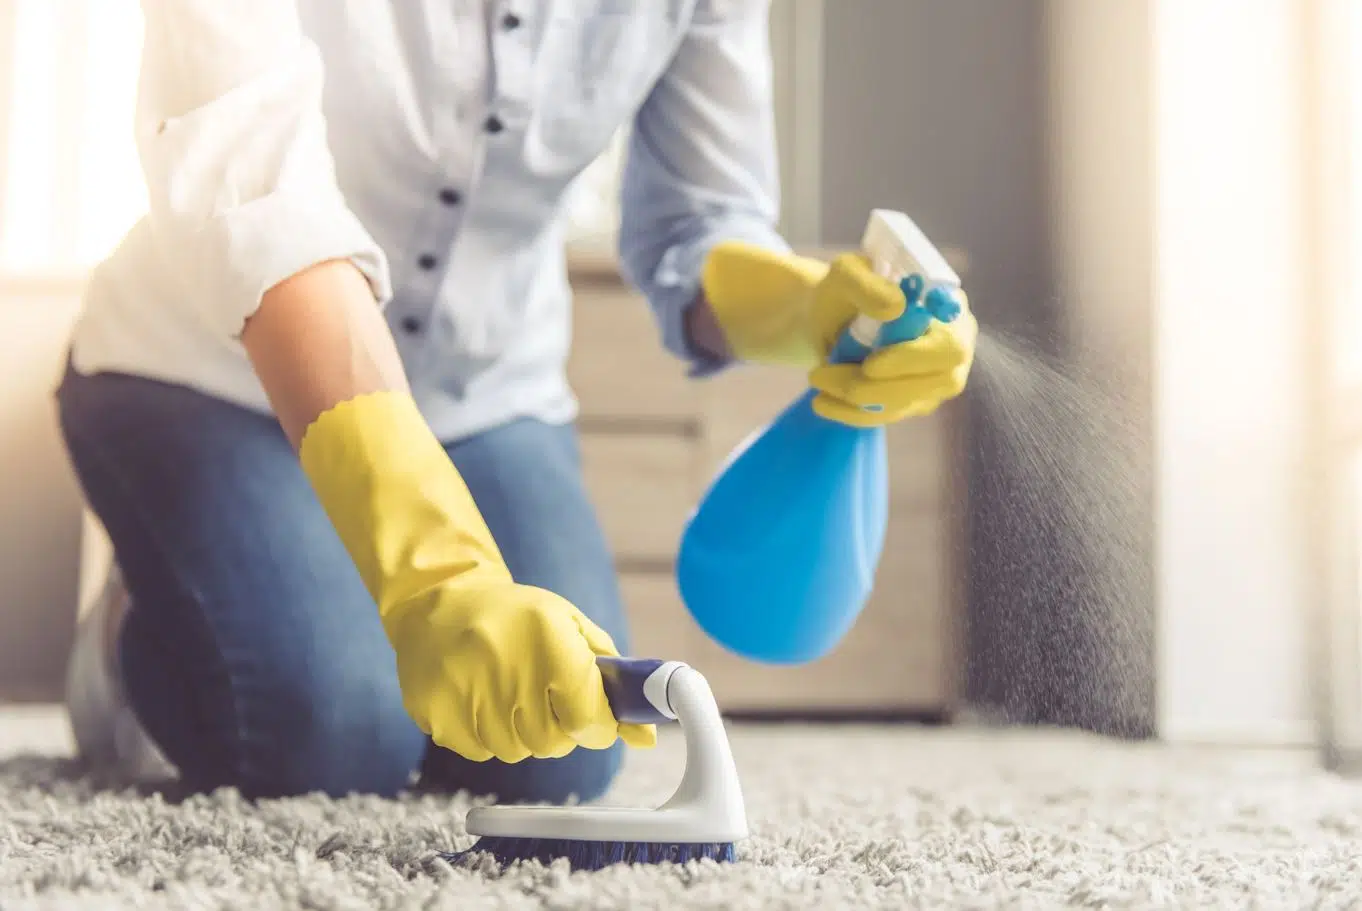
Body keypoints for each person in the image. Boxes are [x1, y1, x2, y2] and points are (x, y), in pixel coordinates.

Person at [57, 1, 978, 803]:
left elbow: (700, 225)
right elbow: (258, 189)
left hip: (482, 390)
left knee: (559, 742)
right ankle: (134, 637)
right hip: (205, 370)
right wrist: (438, 575)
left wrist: (813, 307)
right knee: (331, 732)